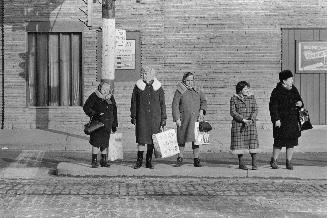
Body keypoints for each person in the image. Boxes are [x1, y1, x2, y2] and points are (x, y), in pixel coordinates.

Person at [130, 66, 167, 169]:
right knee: (141, 140)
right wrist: (133, 115)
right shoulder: (138, 86)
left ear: (152, 75)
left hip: (155, 118)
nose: (144, 75)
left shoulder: (158, 87)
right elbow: (134, 102)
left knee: (152, 141)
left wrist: (163, 118)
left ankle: (148, 161)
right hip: (142, 117)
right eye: (143, 73)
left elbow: (162, 103)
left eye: (146, 73)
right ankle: (139, 160)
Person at [269, 70, 303, 170]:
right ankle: (274, 160)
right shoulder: (277, 91)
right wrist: (276, 119)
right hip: (281, 120)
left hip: (292, 120)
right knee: (279, 142)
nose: (292, 80)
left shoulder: (294, 89)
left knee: (291, 142)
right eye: (290, 79)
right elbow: (273, 107)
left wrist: (300, 103)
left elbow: (300, 100)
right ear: (284, 80)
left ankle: (289, 161)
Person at [172, 72, 207, 167]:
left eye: (192, 80)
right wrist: (177, 118)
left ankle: (196, 159)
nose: (190, 82)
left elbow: (203, 102)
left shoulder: (198, 90)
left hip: (196, 119)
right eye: (188, 80)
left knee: (196, 140)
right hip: (183, 119)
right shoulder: (180, 91)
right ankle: (180, 158)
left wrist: (201, 111)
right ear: (184, 80)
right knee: (181, 139)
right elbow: (175, 105)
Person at [83, 81, 118, 168]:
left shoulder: (110, 97)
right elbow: (86, 107)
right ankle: (94, 161)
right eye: (104, 89)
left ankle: (103, 161)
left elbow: (114, 111)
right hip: (97, 124)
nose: (106, 91)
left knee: (105, 143)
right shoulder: (94, 96)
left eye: (108, 89)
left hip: (107, 124)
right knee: (96, 143)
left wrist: (114, 124)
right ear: (100, 88)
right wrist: (95, 113)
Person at [230, 81, 259, 170]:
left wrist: (252, 118)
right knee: (239, 143)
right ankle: (241, 163)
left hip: (250, 124)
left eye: (248, 88)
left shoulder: (252, 98)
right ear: (240, 90)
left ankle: (254, 163)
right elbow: (233, 112)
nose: (247, 90)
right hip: (239, 125)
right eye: (245, 89)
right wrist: (243, 120)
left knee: (253, 143)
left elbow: (255, 109)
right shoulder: (234, 99)